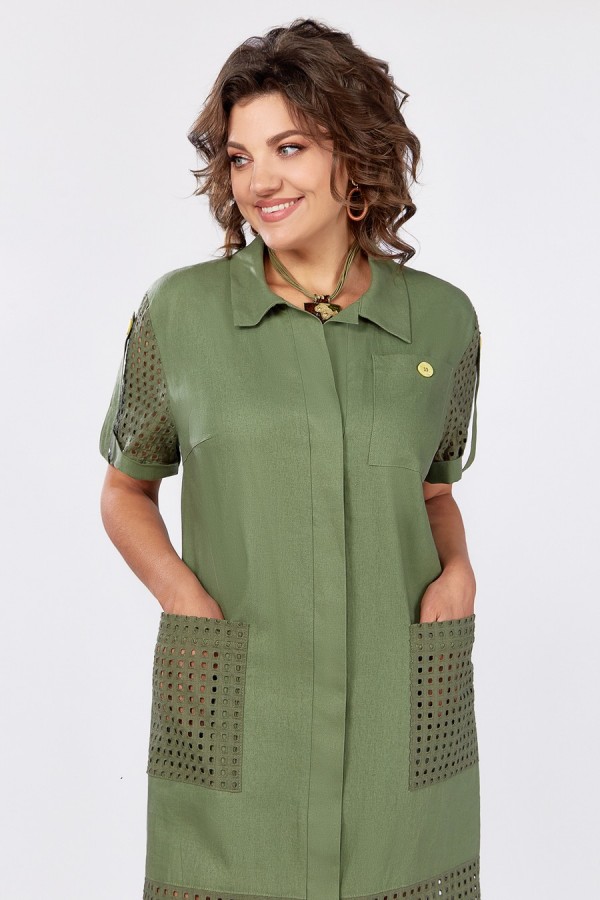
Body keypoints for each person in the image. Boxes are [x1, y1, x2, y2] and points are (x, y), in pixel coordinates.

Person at [99, 17, 482, 900]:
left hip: (399, 712)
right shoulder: (180, 314)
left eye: (290, 147)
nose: (260, 181)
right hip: (237, 706)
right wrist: (184, 600)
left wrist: (459, 571)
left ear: (356, 153)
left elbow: (433, 491)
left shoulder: (444, 321)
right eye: (240, 158)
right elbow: (125, 491)